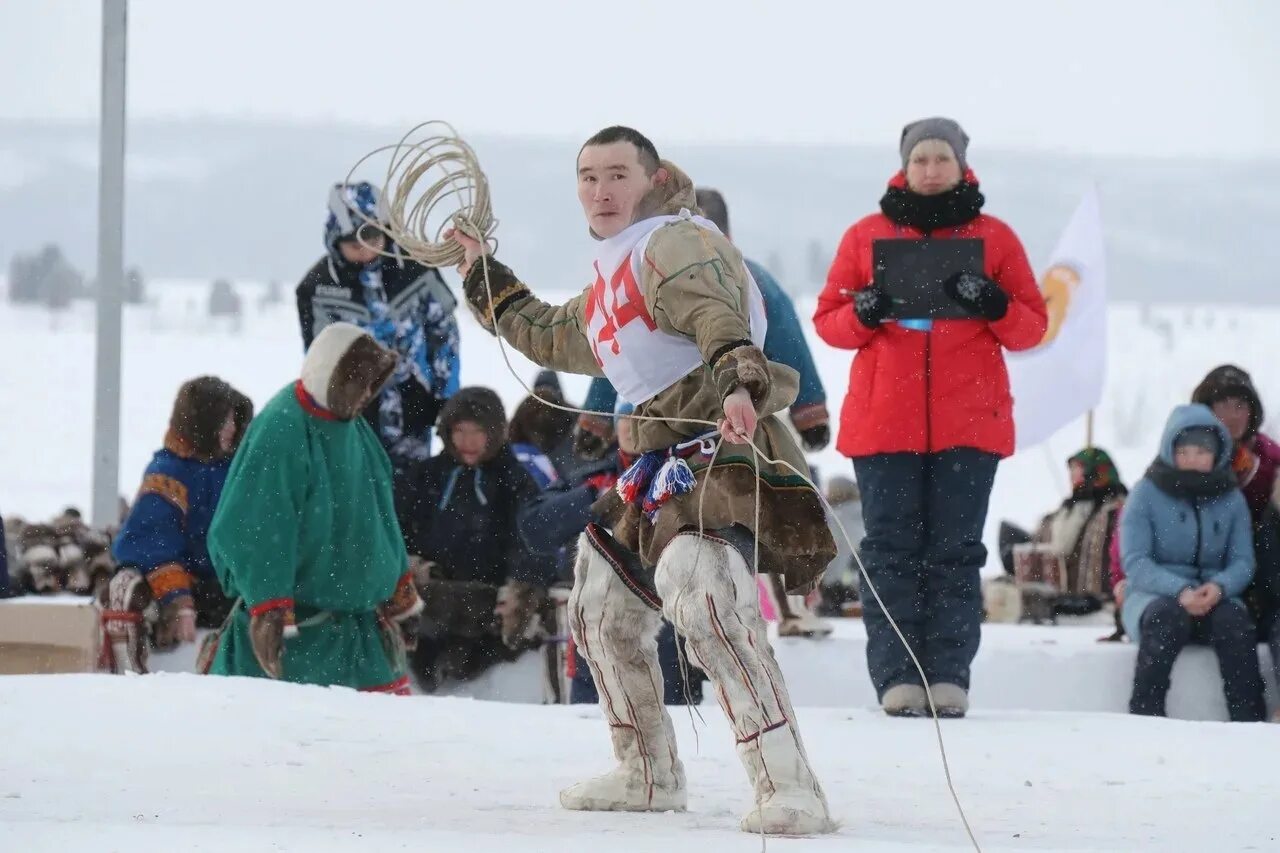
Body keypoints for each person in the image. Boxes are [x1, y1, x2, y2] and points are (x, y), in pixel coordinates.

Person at [450, 126, 835, 835]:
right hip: (655, 465)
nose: (600, 190)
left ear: (652, 181)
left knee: (704, 599)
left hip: (721, 447)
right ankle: (647, 771)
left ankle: (791, 784)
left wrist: (741, 383)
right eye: (588, 176)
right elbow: (546, 329)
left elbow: (716, 315)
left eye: (617, 174)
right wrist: (482, 270)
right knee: (598, 604)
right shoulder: (617, 270)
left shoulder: (678, 244)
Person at [813, 117, 1048, 718]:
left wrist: (994, 303)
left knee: (955, 551)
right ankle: (897, 677)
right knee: (890, 550)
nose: (930, 169)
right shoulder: (866, 235)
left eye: (941, 158)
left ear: (962, 165)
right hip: (883, 423)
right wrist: (863, 313)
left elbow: (1032, 326)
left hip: (970, 425)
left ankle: (948, 676)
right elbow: (829, 321)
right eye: (920, 159)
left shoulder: (995, 239)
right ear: (904, 165)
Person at [206, 323, 423, 694]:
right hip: (294, 640)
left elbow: (380, 513)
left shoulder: (353, 426)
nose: (367, 395)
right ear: (332, 377)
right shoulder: (281, 429)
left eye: (373, 384)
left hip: (356, 637)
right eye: (360, 384)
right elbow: (257, 524)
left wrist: (397, 592)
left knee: (371, 747)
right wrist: (269, 608)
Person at [573, 187, 832, 455]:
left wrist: (597, 416)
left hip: (717, 414)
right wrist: (809, 413)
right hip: (712, 417)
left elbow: (621, 348)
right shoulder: (754, 282)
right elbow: (625, 346)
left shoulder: (755, 283)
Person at [295, 181, 460, 468]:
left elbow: (444, 334)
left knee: (410, 495)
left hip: (415, 405)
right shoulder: (318, 287)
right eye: (354, 245)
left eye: (374, 240)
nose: (366, 251)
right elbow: (316, 356)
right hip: (350, 411)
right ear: (335, 240)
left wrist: (444, 396)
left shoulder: (417, 270)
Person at [394, 387, 549, 689]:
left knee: (470, 665)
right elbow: (397, 530)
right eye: (459, 431)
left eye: (477, 431)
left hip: (489, 606)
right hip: (429, 600)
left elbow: (534, 540)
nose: (467, 441)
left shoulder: (515, 481)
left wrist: (521, 587)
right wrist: (411, 564)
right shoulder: (426, 475)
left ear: (495, 432)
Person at [1121, 404, 1264, 722]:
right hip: (1155, 596)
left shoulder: (1230, 498)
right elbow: (1136, 562)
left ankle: (1250, 721)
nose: (1192, 459)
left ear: (1216, 453)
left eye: (1201, 451)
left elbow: (1242, 561)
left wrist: (1219, 586)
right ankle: (1145, 717)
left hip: (1216, 595)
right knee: (1165, 618)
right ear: (1169, 450)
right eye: (1183, 450)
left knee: (1236, 626)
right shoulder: (1145, 494)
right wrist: (1180, 590)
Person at [110, 377, 252, 664]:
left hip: (227, 587)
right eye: (224, 422)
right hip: (189, 586)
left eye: (234, 421)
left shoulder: (236, 467)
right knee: (126, 587)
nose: (232, 429)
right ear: (204, 424)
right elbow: (151, 543)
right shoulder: (169, 472)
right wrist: (178, 601)